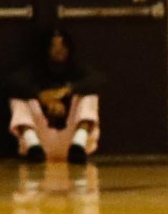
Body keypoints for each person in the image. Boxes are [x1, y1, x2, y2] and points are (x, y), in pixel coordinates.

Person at [7, 27, 102, 164]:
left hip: (71, 139)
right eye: (54, 46)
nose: (59, 50)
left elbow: (98, 80)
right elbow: (11, 83)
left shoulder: (75, 69)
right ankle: (32, 146)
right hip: (41, 139)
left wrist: (67, 91)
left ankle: (78, 145)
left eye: (63, 46)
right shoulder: (34, 70)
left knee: (89, 96)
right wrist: (41, 96)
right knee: (19, 98)